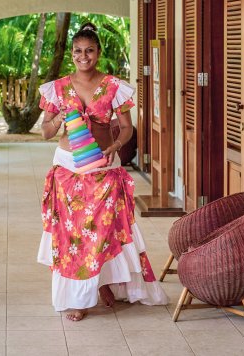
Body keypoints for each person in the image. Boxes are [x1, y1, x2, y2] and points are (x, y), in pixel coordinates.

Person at [36, 22, 169, 321]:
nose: (83, 56)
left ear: (98, 52)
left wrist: (116, 146)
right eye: (78, 51)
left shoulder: (113, 86)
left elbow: (127, 127)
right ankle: (80, 298)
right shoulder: (57, 88)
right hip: (68, 167)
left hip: (105, 166)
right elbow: (45, 132)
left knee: (105, 229)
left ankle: (105, 282)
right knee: (74, 234)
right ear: (72, 53)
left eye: (89, 51)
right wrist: (58, 120)